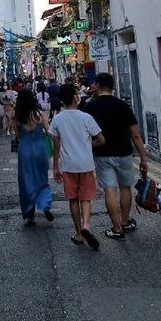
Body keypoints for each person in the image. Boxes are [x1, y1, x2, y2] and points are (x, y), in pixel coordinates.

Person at [85, 72, 149, 240]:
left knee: (109, 190)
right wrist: (143, 158)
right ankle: (125, 221)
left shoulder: (89, 107)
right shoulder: (123, 105)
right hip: (124, 152)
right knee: (125, 187)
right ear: (112, 87)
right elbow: (136, 135)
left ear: (97, 86)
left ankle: (117, 229)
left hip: (102, 153)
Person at [50, 83, 105, 249]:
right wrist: (88, 145)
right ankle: (86, 225)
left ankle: (79, 234)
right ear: (75, 97)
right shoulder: (86, 117)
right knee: (86, 197)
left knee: (73, 199)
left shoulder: (57, 119)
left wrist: (55, 168)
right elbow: (101, 140)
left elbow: (56, 147)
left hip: (68, 165)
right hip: (86, 164)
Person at [15, 89, 54, 225]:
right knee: (42, 178)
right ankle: (45, 204)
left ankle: (30, 214)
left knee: (26, 181)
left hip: (25, 150)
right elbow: (49, 132)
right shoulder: (40, 114)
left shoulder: (18, 117)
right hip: (40, 149)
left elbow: (18, 136)